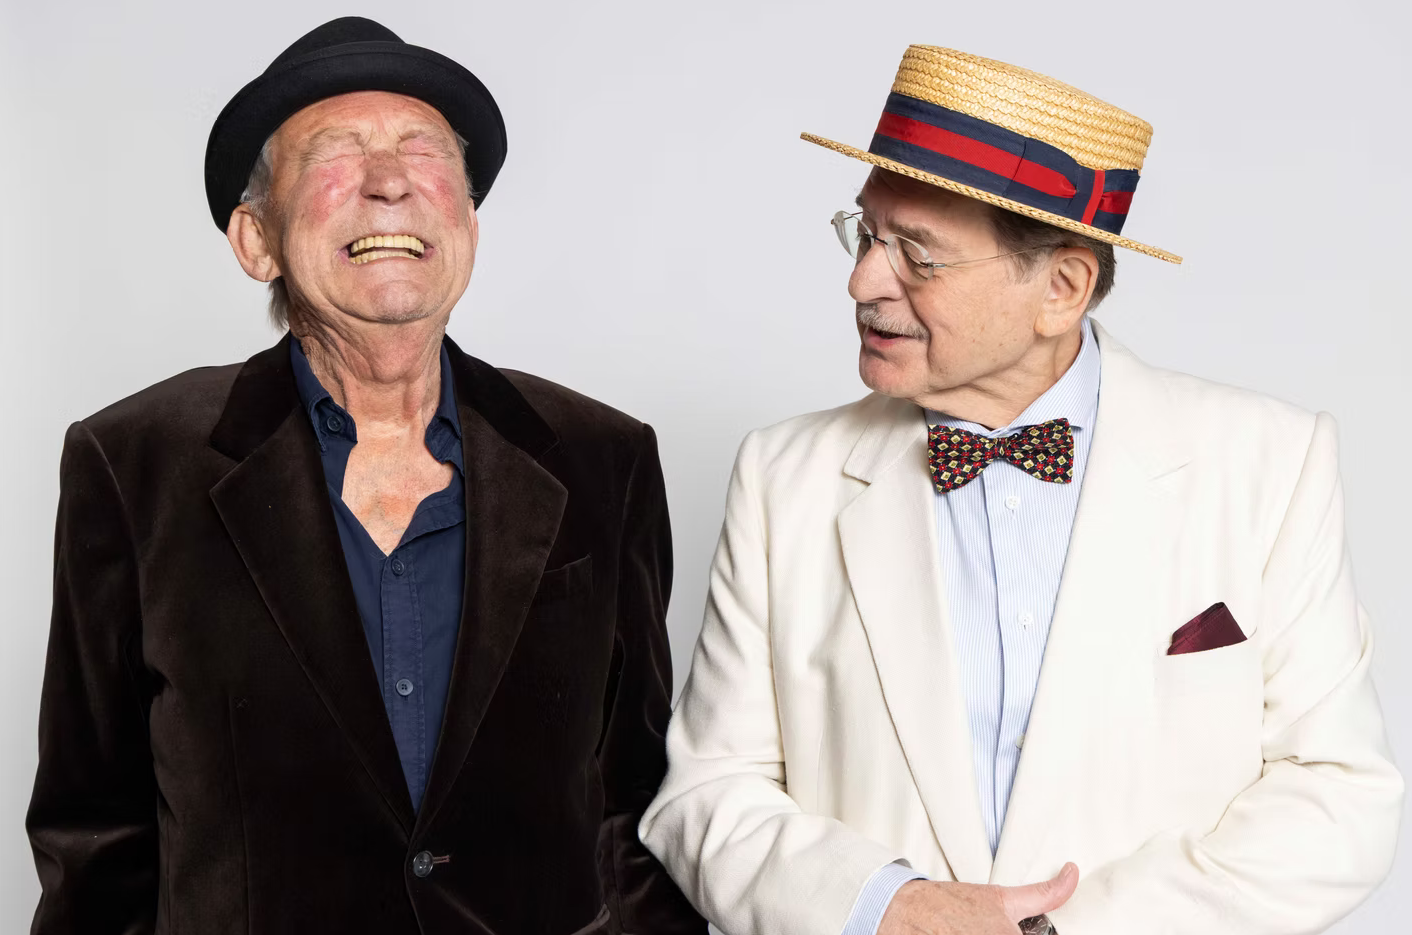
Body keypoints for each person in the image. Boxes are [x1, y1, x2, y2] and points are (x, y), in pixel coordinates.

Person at [640, 45, 1402, 935]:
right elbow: (706, 793)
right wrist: (887, 908)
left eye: (917, 254)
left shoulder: (1270, 463)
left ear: (1062, 288)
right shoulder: (783, 476)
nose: (862, 281)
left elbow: (1339, 799)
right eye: (866, 233)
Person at [27, 17, 702, 935]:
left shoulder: (603, 458)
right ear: (256, 240)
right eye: (337, 153)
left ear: (466, 224)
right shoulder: (132, 463)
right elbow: (95, 840)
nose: (390, 181)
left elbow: (636, 814)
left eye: (423, 150)